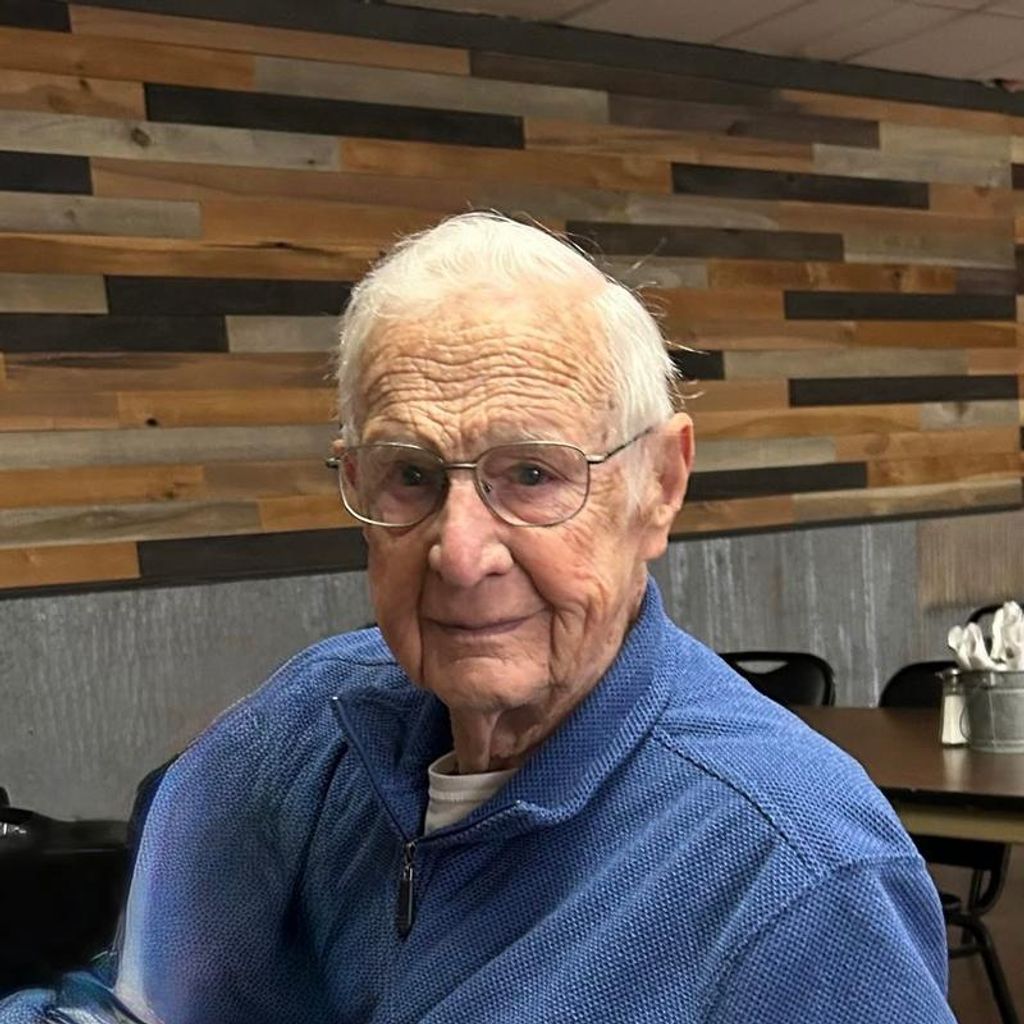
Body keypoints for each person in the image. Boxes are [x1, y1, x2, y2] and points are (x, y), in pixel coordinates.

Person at [1, 213, 954, 1023]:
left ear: (659, 485)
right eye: (411, 475)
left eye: (532, 474)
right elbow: (126, 1004)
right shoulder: (302, 730)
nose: (460, 555)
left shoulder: (795, 879)